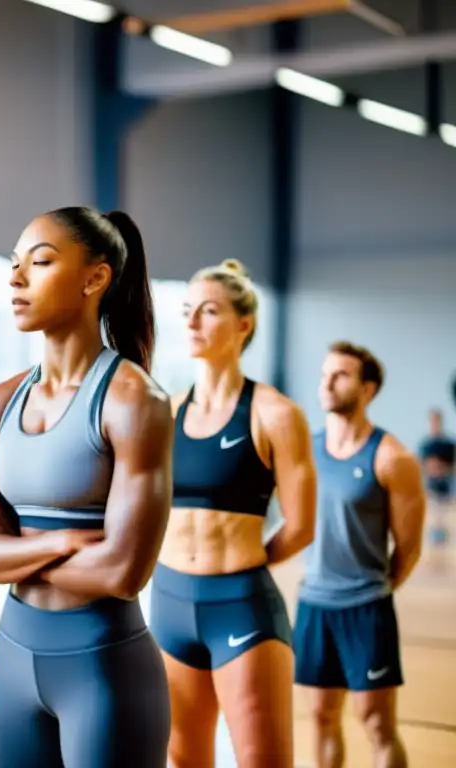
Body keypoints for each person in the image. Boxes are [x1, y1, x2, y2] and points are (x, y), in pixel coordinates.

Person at [0, 207, 174, 767]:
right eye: (14, 264)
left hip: (103, 667)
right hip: (12, 657)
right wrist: (61, 542)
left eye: (40, 262)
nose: (16, 278)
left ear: (95, 278)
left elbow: (122, 573)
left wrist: (9, 547)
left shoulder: (133, 401)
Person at [149, 258, 317, 768]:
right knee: (184, 759)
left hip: (240, 603)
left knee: (262, 760)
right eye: (187, 311)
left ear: (243, 325)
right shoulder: (167, 410)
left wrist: (242, 566)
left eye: (209, 311)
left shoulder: (275, 414)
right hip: (169, 602)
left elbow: (302, 525)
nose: (193, 322)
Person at [295, 342, 426, 768]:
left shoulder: (392, 458)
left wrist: (373, 590)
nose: (327, 384)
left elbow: (408, 548)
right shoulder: (305, 451)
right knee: (321, 717)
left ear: (367, 389)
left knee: (376, 724)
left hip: (365, 610)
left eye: (341, 376)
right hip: (313, 605)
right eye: (324, 375)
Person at [418, 408, 454, 549]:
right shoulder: (426, 445)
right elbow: (421, 466)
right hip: (430, 487)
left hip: (446, 487)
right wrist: (431, 468)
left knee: (444, 520)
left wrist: (442, 468)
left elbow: (453, 466)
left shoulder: (449, 445)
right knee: (432, 521)